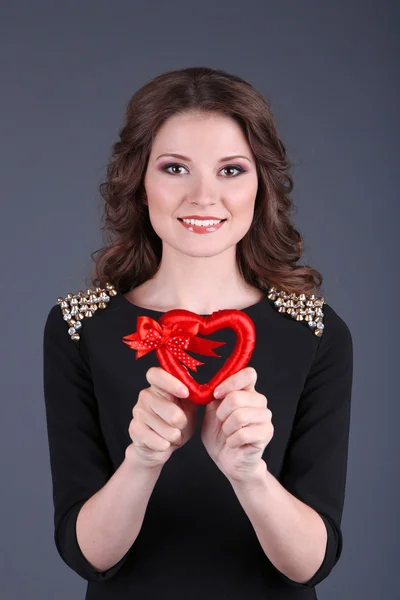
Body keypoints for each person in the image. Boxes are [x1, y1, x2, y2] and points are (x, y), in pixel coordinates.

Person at [42, 66, 353, 600]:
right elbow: (86, 555)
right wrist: (141, 460)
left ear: (261, 185)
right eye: (175, 168)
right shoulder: (78, 326)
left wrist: (249, 475)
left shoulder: (318, 332)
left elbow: (310, 565)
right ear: (139, 183)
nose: (204, 196)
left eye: (231, 170)